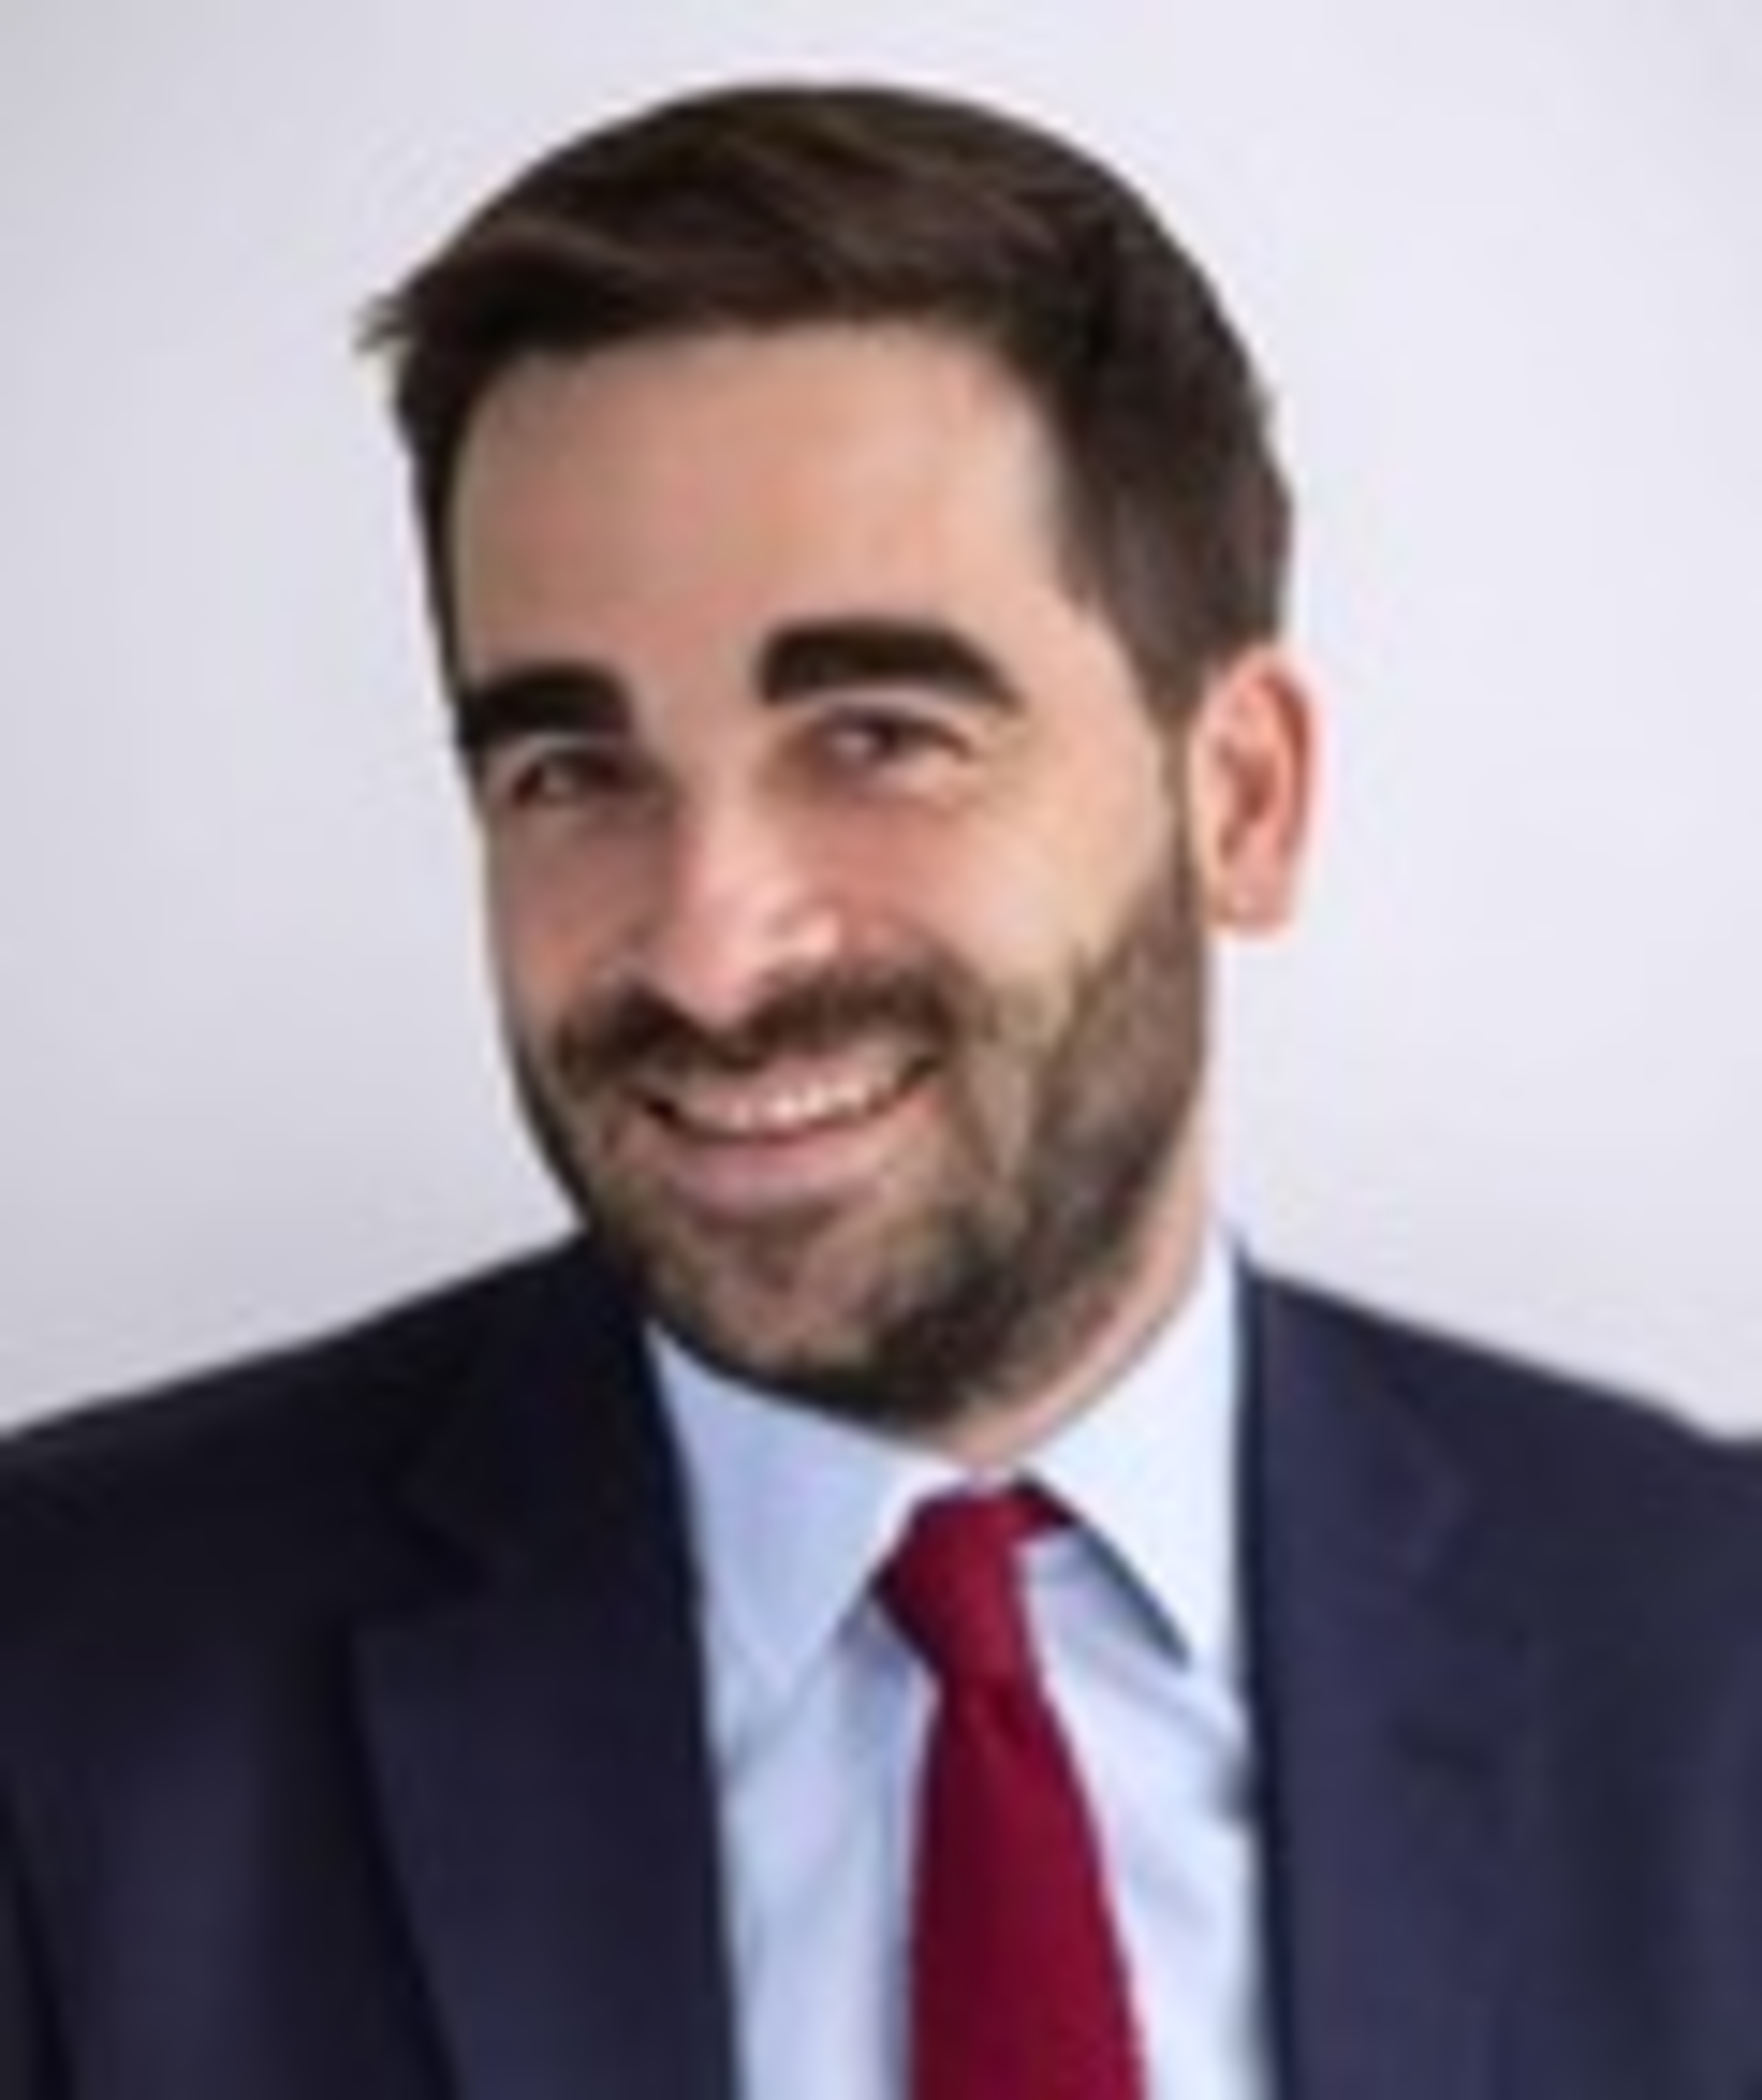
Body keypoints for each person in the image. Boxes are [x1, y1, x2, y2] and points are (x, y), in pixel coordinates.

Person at [2, 78, 1760, 2100]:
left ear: (1242, 799)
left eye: (876, 737)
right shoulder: (63, 1687)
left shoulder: (1712, 1665)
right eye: (570, 771)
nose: (707, 952)